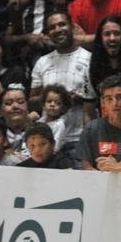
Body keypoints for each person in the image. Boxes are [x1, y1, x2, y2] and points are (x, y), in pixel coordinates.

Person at [30, 10, 95, 150]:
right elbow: (32, 101)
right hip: (47, 141)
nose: (57, 29)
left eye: (62, 24)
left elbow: (100, 99)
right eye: (52, 27)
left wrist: (82, 99)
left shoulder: (90, 59)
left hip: (80, 138)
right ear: (48, 33)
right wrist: (54, 98)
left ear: (72, 26)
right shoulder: (42, 62)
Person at [79, 75, 121, 170]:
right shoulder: (91, 129)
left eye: (120, 97)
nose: (115, 103)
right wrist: (104, 177)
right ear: (103, 102)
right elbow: (86, 166)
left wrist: (118, 168)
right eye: (109, 98)